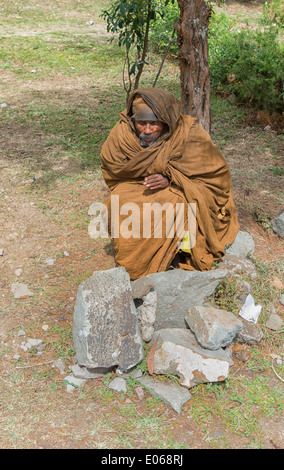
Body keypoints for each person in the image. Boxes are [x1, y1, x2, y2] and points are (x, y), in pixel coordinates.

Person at [101, 87, 239, 280]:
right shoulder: (123, 134)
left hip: (180, 189)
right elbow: (115, 170)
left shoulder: (189, 135)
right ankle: (131, 260)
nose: (147, 130)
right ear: (133, 120)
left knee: (172, 205)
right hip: (138, 186)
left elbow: (216, 179)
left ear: (167, 121)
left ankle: (175, 253)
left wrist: (169, 179)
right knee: (119, 198)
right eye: (142, 123)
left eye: (154, 124)